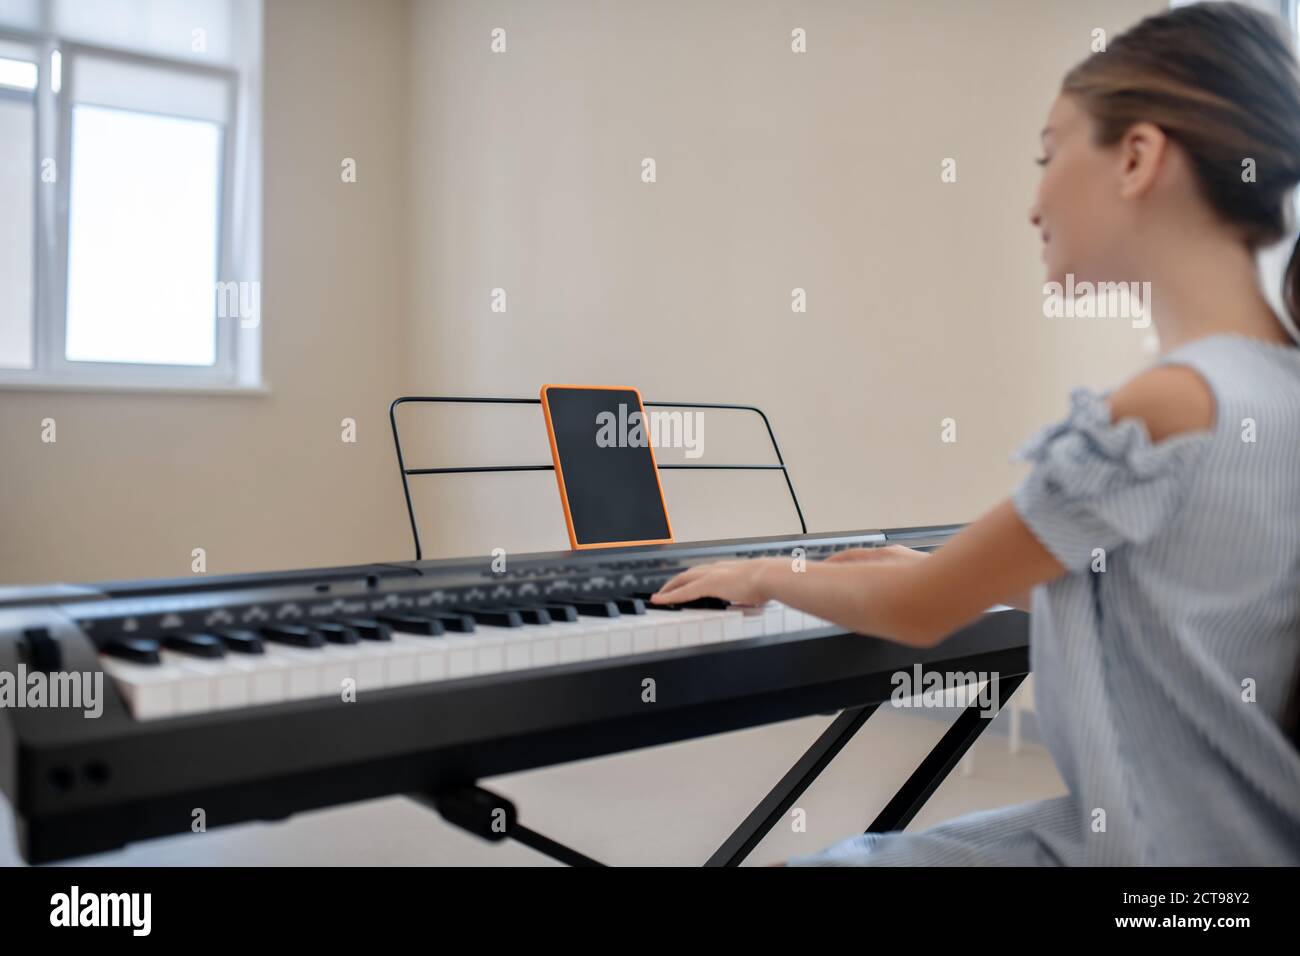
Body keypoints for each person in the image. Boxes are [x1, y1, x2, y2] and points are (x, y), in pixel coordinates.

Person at [652, 1, 1300, 865]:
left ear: (1138, 157)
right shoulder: (1275, 387)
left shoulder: (1162, 407)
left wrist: (765, 574)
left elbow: (917, 615)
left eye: (1050, 153)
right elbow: (1192, 604)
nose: (1034, 202)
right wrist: (950, 570)